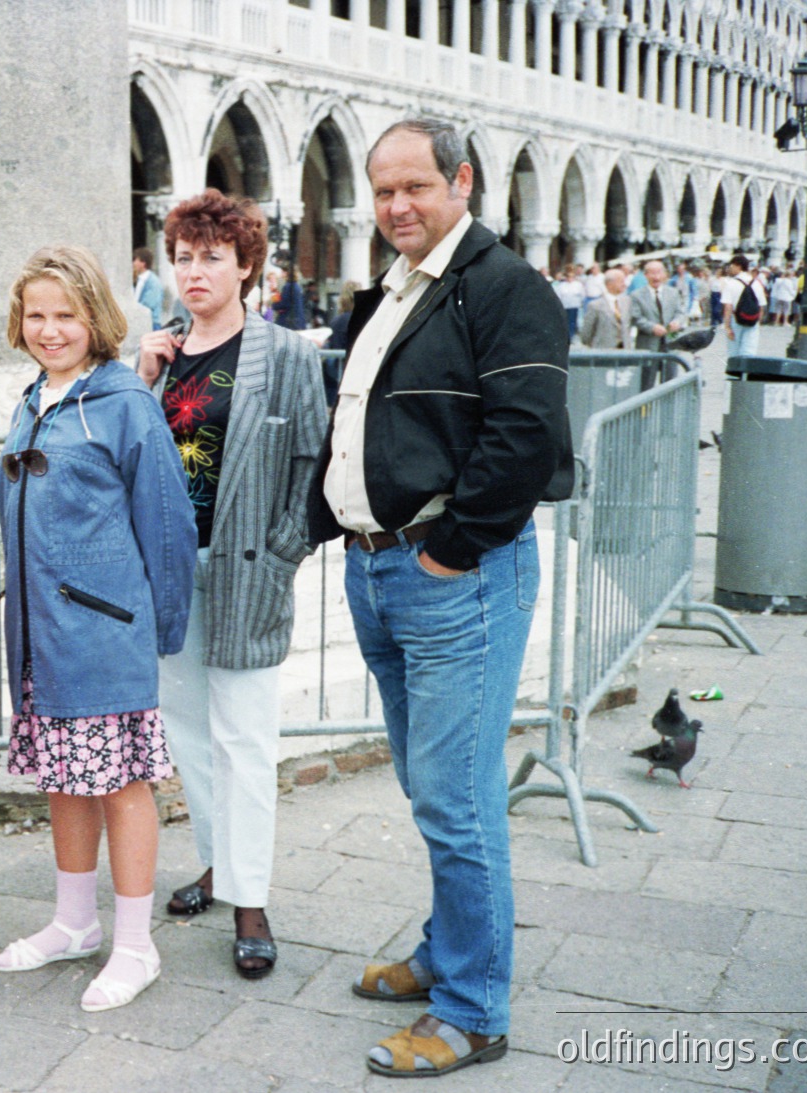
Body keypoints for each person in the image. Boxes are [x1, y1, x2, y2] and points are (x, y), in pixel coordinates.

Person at [306, 118, 571, 1078]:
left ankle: (473, 1008)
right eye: (381, 192)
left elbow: (527, 433)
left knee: (457, 801)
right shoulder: (390, 290)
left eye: (414, 187)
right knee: (430, 788)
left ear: (462, 181)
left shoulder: (508, 287)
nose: (394, 208)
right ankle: (447, 951)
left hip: (452, 576)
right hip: (383, 570)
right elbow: (357, 419)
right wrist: (331, 526)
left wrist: (448, 554)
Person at [0, 244, 196, 1013]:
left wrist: (158, 631)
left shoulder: (122, 404)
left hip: (103, 629)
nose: (50, 329)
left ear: (95, 318)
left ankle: (135, 943)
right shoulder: (29, 399)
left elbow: (167, 528)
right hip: (41, 636)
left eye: (65, 314)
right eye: (36, 314)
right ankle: (74, 920)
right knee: (64, 779)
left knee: (119, 783)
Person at [136, 190, 329, 981]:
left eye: (212, 256)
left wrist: (285, 549)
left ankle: (250, 900)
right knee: (189, 733)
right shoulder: (159, 354)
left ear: (246, 265)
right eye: (183, 256)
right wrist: (139, 377)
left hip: (246, 568)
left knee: (245, 741)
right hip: (172, 574)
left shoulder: (284, 355)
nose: (194, 272)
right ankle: (217, 864)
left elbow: (313, 462)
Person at [628, 259, 686, 351]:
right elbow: (635, 318)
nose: (656, 277)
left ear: (665, 274)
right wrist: (652, 327)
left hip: (671, 342)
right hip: (647, 344)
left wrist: (677, 322)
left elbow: (680, 312)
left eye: (659, 273)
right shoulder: (636, 295)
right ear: (646, 275)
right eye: (652, 273)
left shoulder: (673, 293)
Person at [719, 254, 766, 359]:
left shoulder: (731, 283)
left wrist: (727, 327)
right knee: (749, 352)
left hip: (736, 320)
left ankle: (735, 374)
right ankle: (746, 373)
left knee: (734, 352)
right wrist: (757, 322)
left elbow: (728, 307)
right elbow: (761, 306)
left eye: (731, 266)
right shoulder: (756, 283)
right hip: (753, 320)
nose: (730, 269)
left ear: (738, 266)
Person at [577, 267, 633, 349]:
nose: (624, 284)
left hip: (625, 350)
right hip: (603, 351)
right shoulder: (595, 305)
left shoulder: (627, 302)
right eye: (621, 281)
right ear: (609, 284)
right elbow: (586, 334)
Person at [132, 246, 165, 330]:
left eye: (135, 260)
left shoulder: (153, 282)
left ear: (143, 263)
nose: (133, 263)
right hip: (140, 323)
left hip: (152, 325)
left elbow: (148, 305)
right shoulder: (138, 280)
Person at [552, 265, 585, 341]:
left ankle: (572, 335)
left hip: (574, 305)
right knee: (565, 321)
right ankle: (565, 335)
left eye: (572, 277)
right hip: (565, 305)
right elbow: (559, 295)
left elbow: (582, 295)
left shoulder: (578, 285)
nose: (570, 278)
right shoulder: (561, 285)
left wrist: (580, 303)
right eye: (568, 277)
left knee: (573, 321)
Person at [274, 265, 308, 330]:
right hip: (298, 321)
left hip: (289, 321)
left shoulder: (288, 286)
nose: (281, 274)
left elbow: (284, 304)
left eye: (282, 272)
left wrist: (274, 304)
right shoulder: (297, 286)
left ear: (287, 273)